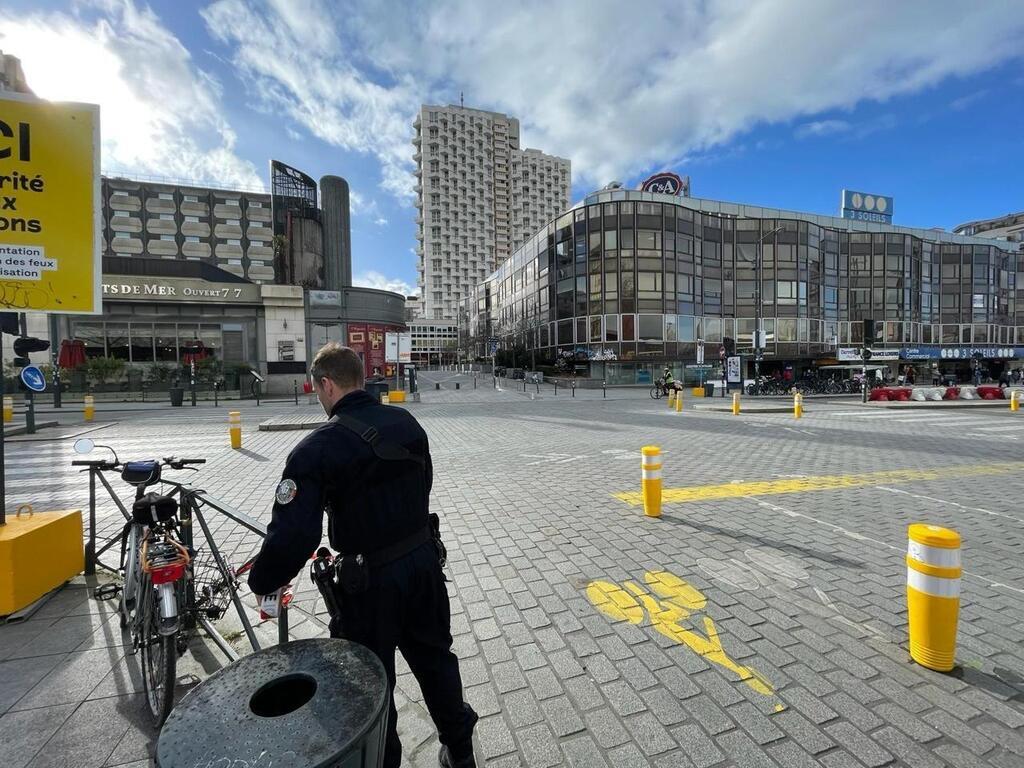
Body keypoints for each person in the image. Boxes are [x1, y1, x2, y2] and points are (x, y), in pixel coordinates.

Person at [247, 343, 478, 768]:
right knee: (436, 661)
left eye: (317, 390)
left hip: (368, 584)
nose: (318, 398)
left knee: (371, 681)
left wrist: (263, 579)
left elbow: (295, 535)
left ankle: (383, 760)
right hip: (424, 565)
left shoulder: (317, 448)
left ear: (328, 385)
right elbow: (423, 483)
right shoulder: (406, 423)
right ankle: (461, 752)